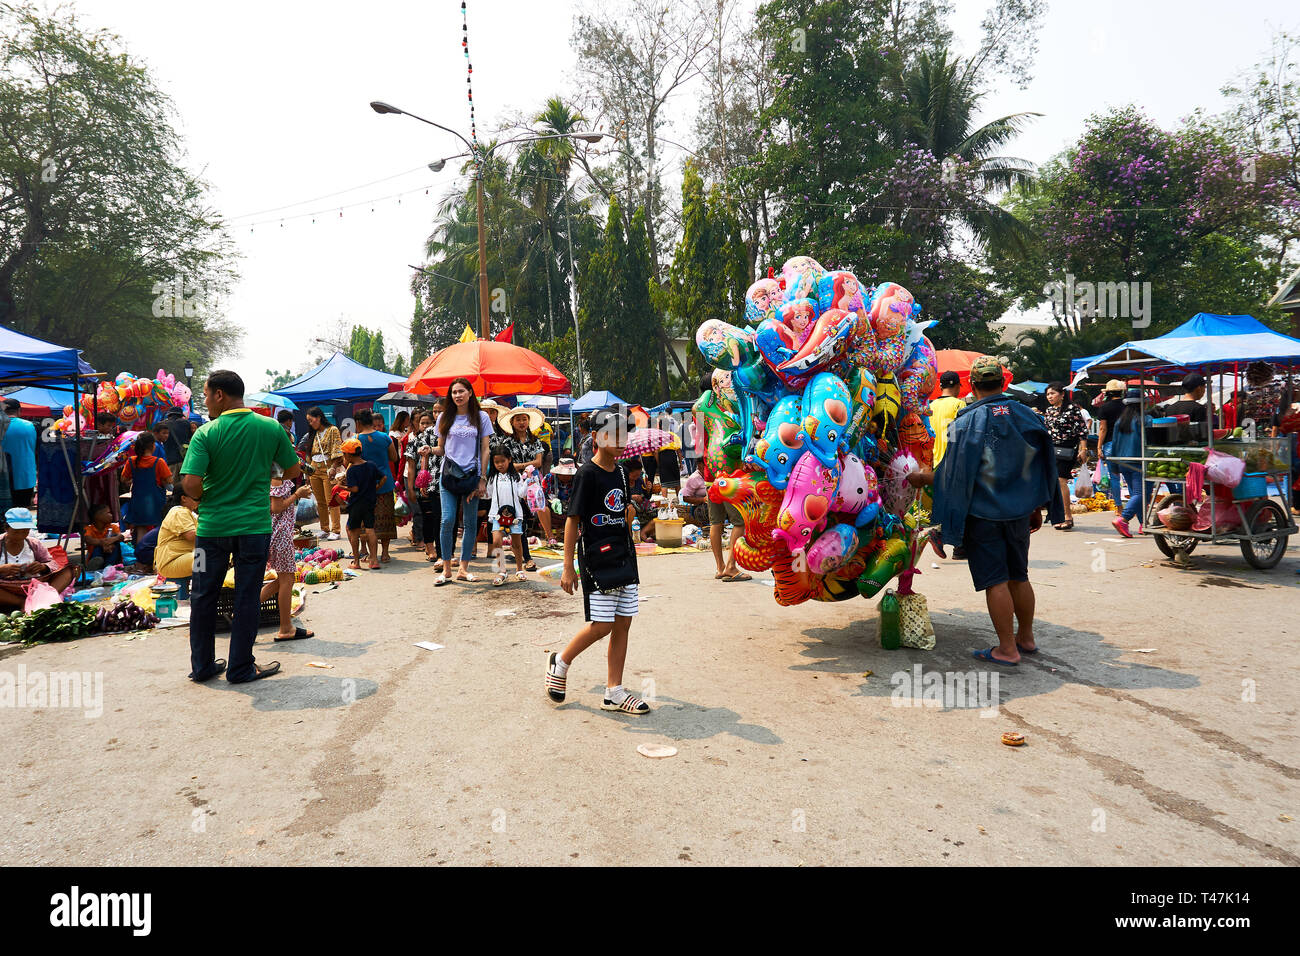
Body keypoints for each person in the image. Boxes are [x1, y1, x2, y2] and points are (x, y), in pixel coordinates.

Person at [907, 356, 1064, 667]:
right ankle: (1026, 637)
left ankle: (1007, 648)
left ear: (973, 386)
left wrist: (921, 479)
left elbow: (950, 475)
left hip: (983, 514)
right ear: (1003, 383)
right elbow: (1043, 464)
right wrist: (1037, 505)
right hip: (1020, 511)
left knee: (996, 580)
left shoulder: (963, 424)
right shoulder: (1029, 417)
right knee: (1019, 575)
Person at [181, 369, 301, 684]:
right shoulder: (270, 427)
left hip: (209, 532)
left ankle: (203, 666)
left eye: (206, 394)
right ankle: (240, 668)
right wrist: (259, 475)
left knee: (202, 596)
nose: (205, 401)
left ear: (220, 394)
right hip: (254, 529)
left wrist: (208, 497)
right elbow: (292, 469)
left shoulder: (205, 433)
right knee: (247, 595)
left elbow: (190, 483)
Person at [545, 409, 650, 714]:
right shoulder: (585, 474)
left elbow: (620, 509)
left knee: (623, 623)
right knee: (602, 625)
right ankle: (560, 663)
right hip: (596, 558)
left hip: (624, 555)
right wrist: (567, 567)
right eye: (613, 435)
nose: (620, 441)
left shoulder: (620, 472)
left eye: (623, 435)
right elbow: (572, 520)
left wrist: (630, 512)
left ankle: (614, 692)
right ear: (596, 438)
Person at [430, 377, 492, 586]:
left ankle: (464, 569)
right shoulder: (444, 418)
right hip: (447, 475)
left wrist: (482, 478)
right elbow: (441, 448)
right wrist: (429, 450)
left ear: (470, 393)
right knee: (447, 520)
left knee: (469, 522)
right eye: (454, 392)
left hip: (472, 476)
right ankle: (447, 568)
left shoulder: (481, 417)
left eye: (461, 391)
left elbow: (485, 449)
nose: (457, 395)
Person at [260, 467, 315, 637]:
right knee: (287, 580)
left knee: (285, 579)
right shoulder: (276, 478)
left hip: (280, 534)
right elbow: (276, 508)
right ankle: (285, 628)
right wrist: (297, 495)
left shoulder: (279, 476)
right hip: (279, 535)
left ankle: (244, 611)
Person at [680, 460, 749, 581]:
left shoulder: (706, 440)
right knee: (739, 523)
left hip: (711, 480)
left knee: (715, 523)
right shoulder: (728, 440)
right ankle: (731, 567)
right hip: (729, 480)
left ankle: (720, 567)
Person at [0, 507, 75, 609]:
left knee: (68, 571)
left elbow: (52, 563)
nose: (20, 536)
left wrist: (42, 567)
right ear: (6, 528)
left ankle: (40, 599)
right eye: (16, 532)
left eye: (25, 532)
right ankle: (22, 602)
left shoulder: (33, 543)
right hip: (6, 589)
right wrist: (2, 569)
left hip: (34, 586)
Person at [500, 406, 546, 569]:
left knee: (530, 518)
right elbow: (506, 465)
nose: (521, 422)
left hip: (533, 486)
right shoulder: (507, 442)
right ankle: (526, 558)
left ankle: (520, 552)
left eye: (524, 419)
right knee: (521, 520)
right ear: (512, 422)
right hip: (515, 484)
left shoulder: (536, 440)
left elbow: (539, 462)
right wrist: (528, 466)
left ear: (528, 421)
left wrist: (520, 466)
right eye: (518, 419)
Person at [1042, 381, 1088, 531]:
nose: (1050, 396)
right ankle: (1056, 515)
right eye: (1048, 394)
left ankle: (1067, 517)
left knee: (1061, 480)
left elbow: (1081, 430)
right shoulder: (1048, 410)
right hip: (1051, 448)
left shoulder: (1072, 408)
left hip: (1068, 448)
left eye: (1053, 393)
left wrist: (1084, 449)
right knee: (1052, 481)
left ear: (1062, 394)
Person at [1109, 388, 1152, 538]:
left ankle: (1143, 524)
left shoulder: (1120, 421)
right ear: (1143, 404)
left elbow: (1114, 444)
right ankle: (1124, 518)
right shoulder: (1145, 420)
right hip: (1140, 461)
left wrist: (1113, 466)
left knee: (1136, 494)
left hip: (1122, 462)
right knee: (1142, 494)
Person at [356, 410, 399, 562]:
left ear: (358, 423)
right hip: (385, 483)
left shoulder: (356, 440)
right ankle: (385, 553)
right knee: (385, 518)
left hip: (364, 485)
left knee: (366, 520)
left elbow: (349, 461)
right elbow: (394, 457)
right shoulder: (385, 437)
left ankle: (368, 552)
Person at [120, 432, 171, 553]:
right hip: (156, 501)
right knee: (159, 528)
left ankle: (141, 556)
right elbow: (169, 480)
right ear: (153, 445)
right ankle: (157, 556)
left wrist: (133, 480)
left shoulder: (131, 461)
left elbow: (123, 479)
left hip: (138, 500)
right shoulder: (159, 462)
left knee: (141, 528)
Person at [486, 449, 527, 586]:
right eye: (496, 462)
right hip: (497, 515)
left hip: (515, 515)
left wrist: (529, 482)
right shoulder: (493, 478)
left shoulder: (516, 477)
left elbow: (521, 494)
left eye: (503, 461)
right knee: (496, 541)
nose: (500, 464)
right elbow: (489, 494)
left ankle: (519, 569)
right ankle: (502, 570)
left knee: (516, 543)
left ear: (509, 459)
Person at [341, 437, 383, 571]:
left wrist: (341, 487)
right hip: (370, 502)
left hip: (356, 504)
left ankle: (357, 561)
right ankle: (374, 560)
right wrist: (375, 488)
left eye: (344, 454)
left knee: (354, 531)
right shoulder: (371, 465)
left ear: (348, 454)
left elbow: (355, 489)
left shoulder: (352, 469)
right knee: (370, 529)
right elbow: (383, 477)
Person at [303, 406, 343, 541]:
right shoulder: (312, 434)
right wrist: (307, 474)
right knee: (320, 501)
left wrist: (334, 467)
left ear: (319, 417)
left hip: (328, 467)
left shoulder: (333, 430)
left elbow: (338, 449)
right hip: (314, 468)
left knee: (331, 500)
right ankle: (324, 528)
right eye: (308, 421)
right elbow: (309, 455)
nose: (310, 423)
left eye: (311, 420)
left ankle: (336, 530)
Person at [154, 490, 199, 597]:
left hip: (180, 559)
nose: (199, 501)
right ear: (184, 498)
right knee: (204, 557)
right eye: (197, 497)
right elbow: (190, 535)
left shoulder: (189, 513)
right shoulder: (179, 511)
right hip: (171, 562)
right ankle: (201, 595)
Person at [1095, 379, 1127, 511]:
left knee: (1114, 477)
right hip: (1127, 444)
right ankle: (1135, 506)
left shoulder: (1105, 408)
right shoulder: (1128, 406)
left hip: (1110, 445)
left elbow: (1103, 429)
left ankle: (1118, 507)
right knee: (1130, 474)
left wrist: (1098, 447)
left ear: (1108, 393)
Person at [3, 398, 38, 508]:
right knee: (22, 512)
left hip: (2, 479)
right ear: (19, 411)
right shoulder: (30, 426)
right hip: (24, 477)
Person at [927, 371, 965, 466]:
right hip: (951, 462)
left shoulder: (930, 407)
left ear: (940, 387)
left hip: (932, 462)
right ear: (957, 386)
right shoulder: (959, 404)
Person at [83, 503, 125, 569]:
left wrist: (109, 542)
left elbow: (121, 537)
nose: (111, 515)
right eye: (108, 513)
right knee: (97, 546)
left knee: (115, 539)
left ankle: (109, 565)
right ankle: (96, 562)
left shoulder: (113, 527)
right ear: (98, 516)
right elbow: (89, 540)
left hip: (112, 555)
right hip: (96, 555)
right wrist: (103, 544)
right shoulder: (89, 529)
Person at [162, 408, 193, 474]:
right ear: (181, 415)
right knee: (185, 483)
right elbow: (190, 438)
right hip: (184, 459)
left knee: (172, 483)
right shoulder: (186, 423)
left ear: (169, 415)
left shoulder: (163, 424)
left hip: (170, 460)